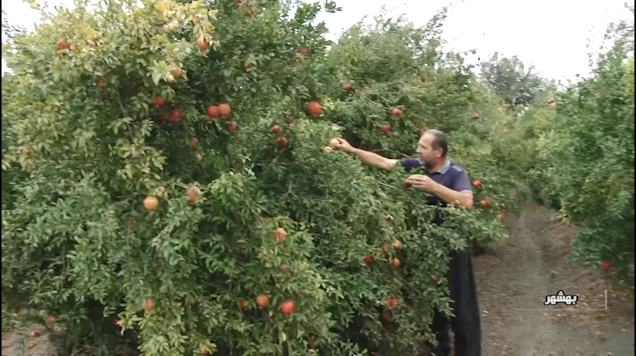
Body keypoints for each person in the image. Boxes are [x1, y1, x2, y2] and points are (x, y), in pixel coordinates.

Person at [336, 129, 481, 356]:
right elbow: (384, 162)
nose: (417, 150)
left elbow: (467, 201)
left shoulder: (455, 172)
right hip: (425, 249)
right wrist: (350, 149)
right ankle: (438, 350)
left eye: (423, 147)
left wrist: (434, 187)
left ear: (438, 152)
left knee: (461, 309)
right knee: (433, 306)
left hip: (452, 249)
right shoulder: (417, 166)